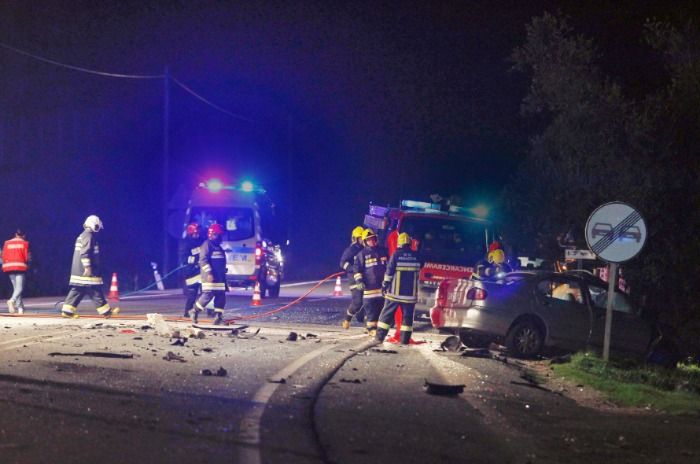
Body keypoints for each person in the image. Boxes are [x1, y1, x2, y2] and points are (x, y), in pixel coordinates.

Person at [61, 215, 120, 318]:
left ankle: (67, 311)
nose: (98, 229)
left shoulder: (84, 235)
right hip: (86, 271)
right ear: (94, 225)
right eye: (97, 226)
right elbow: (85, 252)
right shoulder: (88, 236)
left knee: (78, 290)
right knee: (94, 290)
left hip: (79, 271)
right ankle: (106, 312)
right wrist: (88, 267)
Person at [375, 232, 421, 344]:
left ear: (399, 243)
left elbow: (389, 272)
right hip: (410, 295)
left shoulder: (395, 255)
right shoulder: (417, 256)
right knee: (407, 318)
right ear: (410, 243)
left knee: (386, 315)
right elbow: (422, 264)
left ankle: (379, 338)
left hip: (394, 294)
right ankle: (404, 340)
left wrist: (384, 285)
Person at [345, 229, 388, 336]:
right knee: (369, 309)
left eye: (373, 239)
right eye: (368, 240)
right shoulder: (361, 254)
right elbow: (357, 269)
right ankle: (370, 329)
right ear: (365, 242)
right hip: (369, 288)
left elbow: (388, 267)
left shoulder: (383, 251)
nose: (371, 241)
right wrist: (359, 280)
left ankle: (377, 329)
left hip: (381, 287)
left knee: (380, 308)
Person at [192, 223, 227, 325]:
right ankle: (194, 311)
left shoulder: (218, 247)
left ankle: (218, 316)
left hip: (220, 277)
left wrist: (223, 272)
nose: (219, 237)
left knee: (221, 296)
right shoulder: (207, 245)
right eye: (218, 235)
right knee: (208, 295)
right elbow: (203, 260)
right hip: (210, 276)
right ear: (212, 234)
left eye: (220, 235)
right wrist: (209, 272)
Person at [339, 226, 365, 329]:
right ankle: (347, 320)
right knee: (358, 302)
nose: (363, 240)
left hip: (365, 279)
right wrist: (353, 269)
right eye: (361, 238)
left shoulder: (365, 249)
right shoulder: (351, 250)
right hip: (354, 279)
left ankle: (368, 325)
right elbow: (342, 263)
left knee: (368, 302)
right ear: (356, 239)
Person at [2, 229, 31, 314]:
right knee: (20, 288)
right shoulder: (25, 243)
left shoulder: (7, 243)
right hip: (19, 266)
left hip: (8, 267)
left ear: (15, 234)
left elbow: (3, 255)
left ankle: (20, 309)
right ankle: (12, 300)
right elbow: (27, 257)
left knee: (16, 288)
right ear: (24, 235)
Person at [180, 223, 204, 318]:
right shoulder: (186, 244)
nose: (197, 235)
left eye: (197, 233)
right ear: (190, 233)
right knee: (192, 294)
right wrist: (195, 261)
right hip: (191, 273)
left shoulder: (202, 242)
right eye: (195, 233)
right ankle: (187, 312)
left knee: (207, 292)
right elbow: (184, 259)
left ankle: (211, 312)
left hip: (201, 272)